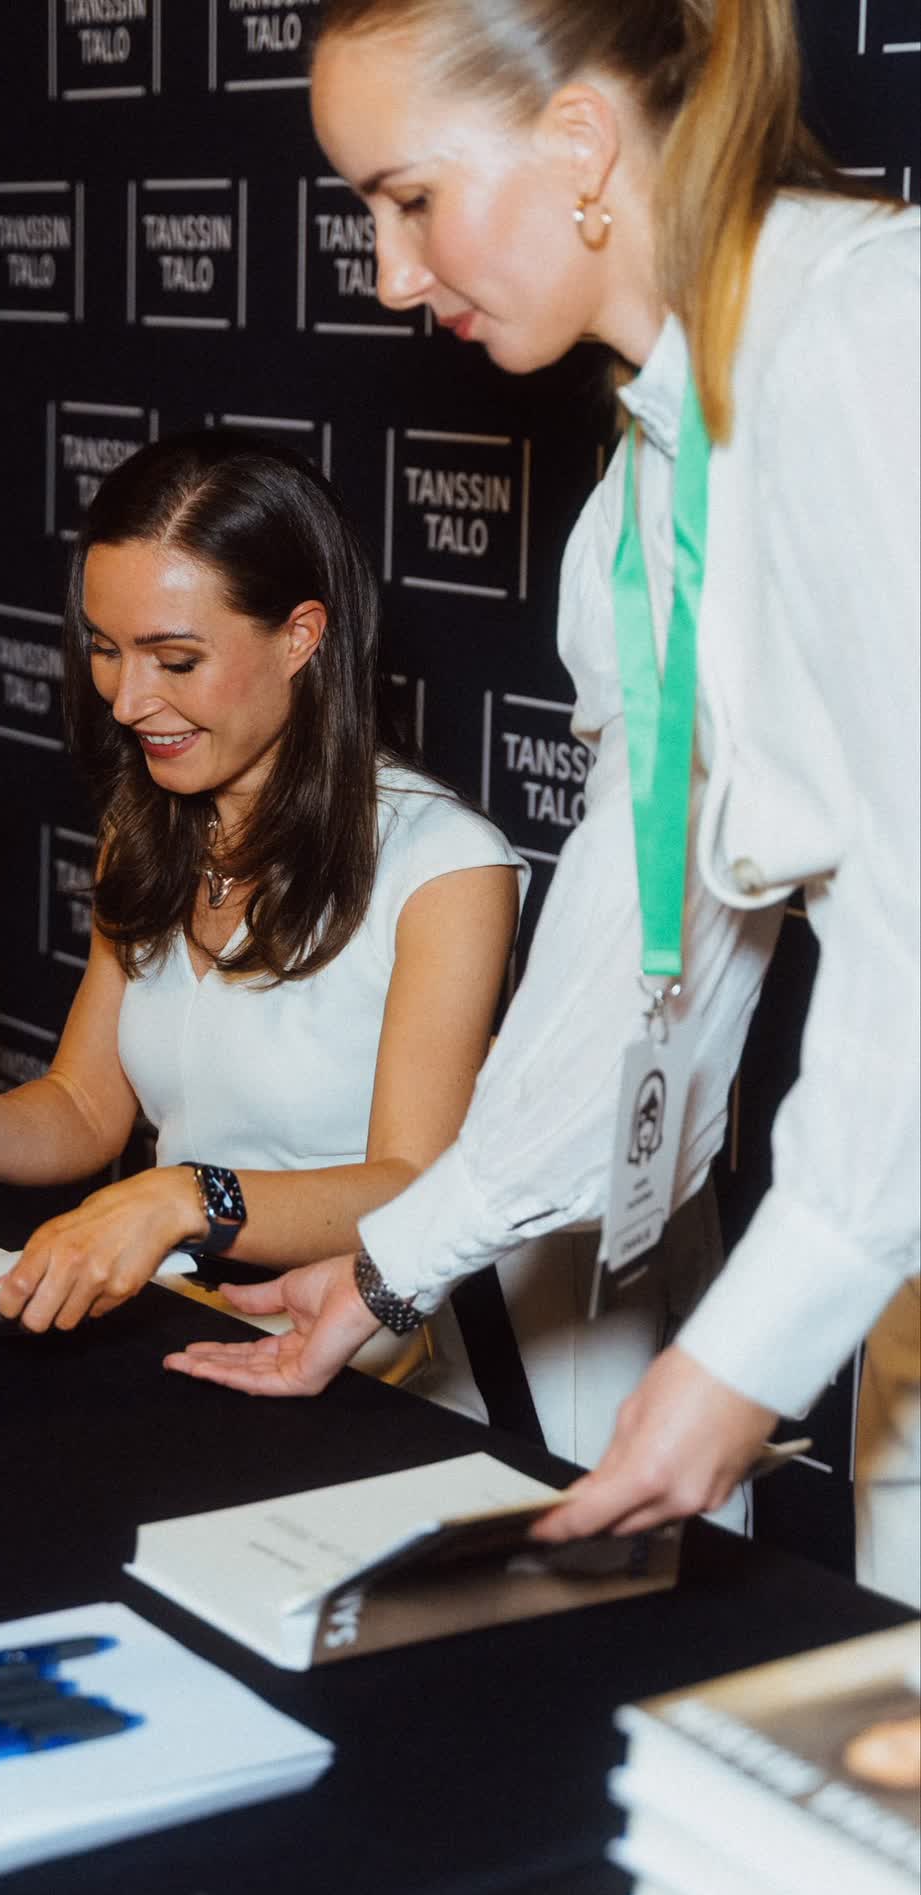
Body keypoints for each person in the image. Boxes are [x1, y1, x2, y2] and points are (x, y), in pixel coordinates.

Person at [166, 0, 920, 1606]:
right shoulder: (656, 468)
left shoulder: (870, 341)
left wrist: (746, 1348)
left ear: (579, 140)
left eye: (410, 198)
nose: (389, 273)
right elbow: (636, 938)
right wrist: (390, 1266)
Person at [0, 431, 524, 1354]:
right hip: (193, 1325)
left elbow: (411, 1186)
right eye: (105, 649)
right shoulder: (149, 830)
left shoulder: (443, 866)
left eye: (175, 660)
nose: (125, 701)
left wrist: (189, 1197)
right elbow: (85, 1108)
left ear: (301, 637)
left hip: (373, 1355)